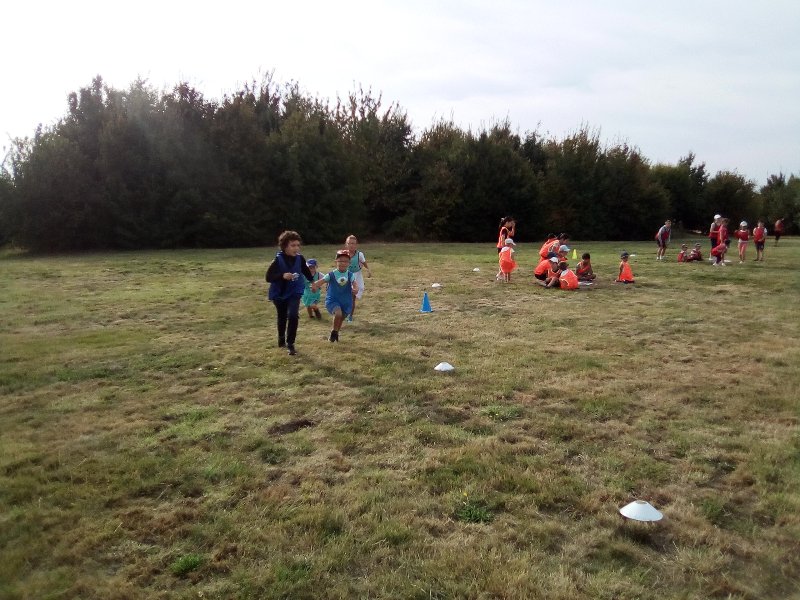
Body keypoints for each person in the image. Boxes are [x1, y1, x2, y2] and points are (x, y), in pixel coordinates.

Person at [266, 230, 314, 356]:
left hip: (294, 291)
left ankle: (290, 344)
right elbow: (268, 277)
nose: (296, 248)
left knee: (293, 315)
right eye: (293, 245)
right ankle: (281, 339)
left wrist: (313, 282)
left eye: (298, 245)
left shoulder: (300, 258)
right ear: (284, 246)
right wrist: (282, 276)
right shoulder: (277, 260)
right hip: (279, 293)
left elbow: (305, 271)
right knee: (282, 316)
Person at [311, 249, 360, 342]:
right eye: (340, 261)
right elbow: (321, 281)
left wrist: (356, 289)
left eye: (346, 261)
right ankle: (334, 331)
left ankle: (335, 333)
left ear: (349, 263)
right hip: (333, 300)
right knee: (338, 314)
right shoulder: (331, 274)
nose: (343, 263)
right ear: (336, 262)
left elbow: (355, 284)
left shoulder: (350, 275)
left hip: (346, 301)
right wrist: (315, 286)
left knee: (341, 318)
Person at [345, 234, 371, 322]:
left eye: (353, 243)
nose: (351, 245)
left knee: (352, 297)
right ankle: (343, 312)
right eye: (349, 243)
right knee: (345, 296)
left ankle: (350, 316)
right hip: (346, 276)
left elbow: (364, 263)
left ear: (356, 245)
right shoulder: (343, 254)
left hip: (356, 276)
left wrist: (368, 270)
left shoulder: (360, 254)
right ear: (346, 244)